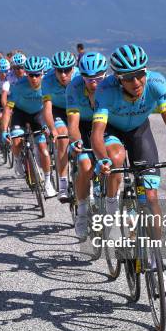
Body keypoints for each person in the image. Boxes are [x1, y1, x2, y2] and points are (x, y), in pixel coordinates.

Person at [91, 44, 166, 295]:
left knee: (152, 197)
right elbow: (97, 133)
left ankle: (156, 266)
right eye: (129, 77)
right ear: (118, 79)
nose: (136, 81)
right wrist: (101, 160)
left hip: (139, 132)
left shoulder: (157, 83)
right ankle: (111, 207)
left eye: (140, 74)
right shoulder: (105, 89)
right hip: (113, 131)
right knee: (115, 157)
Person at [65, 52, 109, 238]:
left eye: (99, 78)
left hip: (106, 124)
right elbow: (73, 124)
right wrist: (76, 142)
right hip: (83, 125)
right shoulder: (74, 87)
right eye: (88, 78)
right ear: (81, 75)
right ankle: (82, 212)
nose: (93, 83)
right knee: (85, 165)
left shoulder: (112, 86)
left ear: (105, 75)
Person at [1, 56, 56, 197]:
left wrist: (50, 127)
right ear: (26, 74)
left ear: (42, 73)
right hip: (20, 113)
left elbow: (49, 109)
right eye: (31, 75)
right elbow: (8, 109)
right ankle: (18, 160)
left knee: (43, 149)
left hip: (38, 114)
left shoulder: (47, 85)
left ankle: (48, 183)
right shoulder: (18, 86)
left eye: (37, 74)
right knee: (17, 141)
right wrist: (4, 130)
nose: (34, 78)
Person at [41, 51, 80, 202]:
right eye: (59, 70)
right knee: (63, 137)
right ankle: (63, 183)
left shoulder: (79, 77)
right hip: (58, 111)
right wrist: (52, 130)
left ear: (73, 68)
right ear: (54, 70)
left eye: (67, 70)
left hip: (77, 109)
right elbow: (47, 109)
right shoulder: (47, 80)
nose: (63, 74)